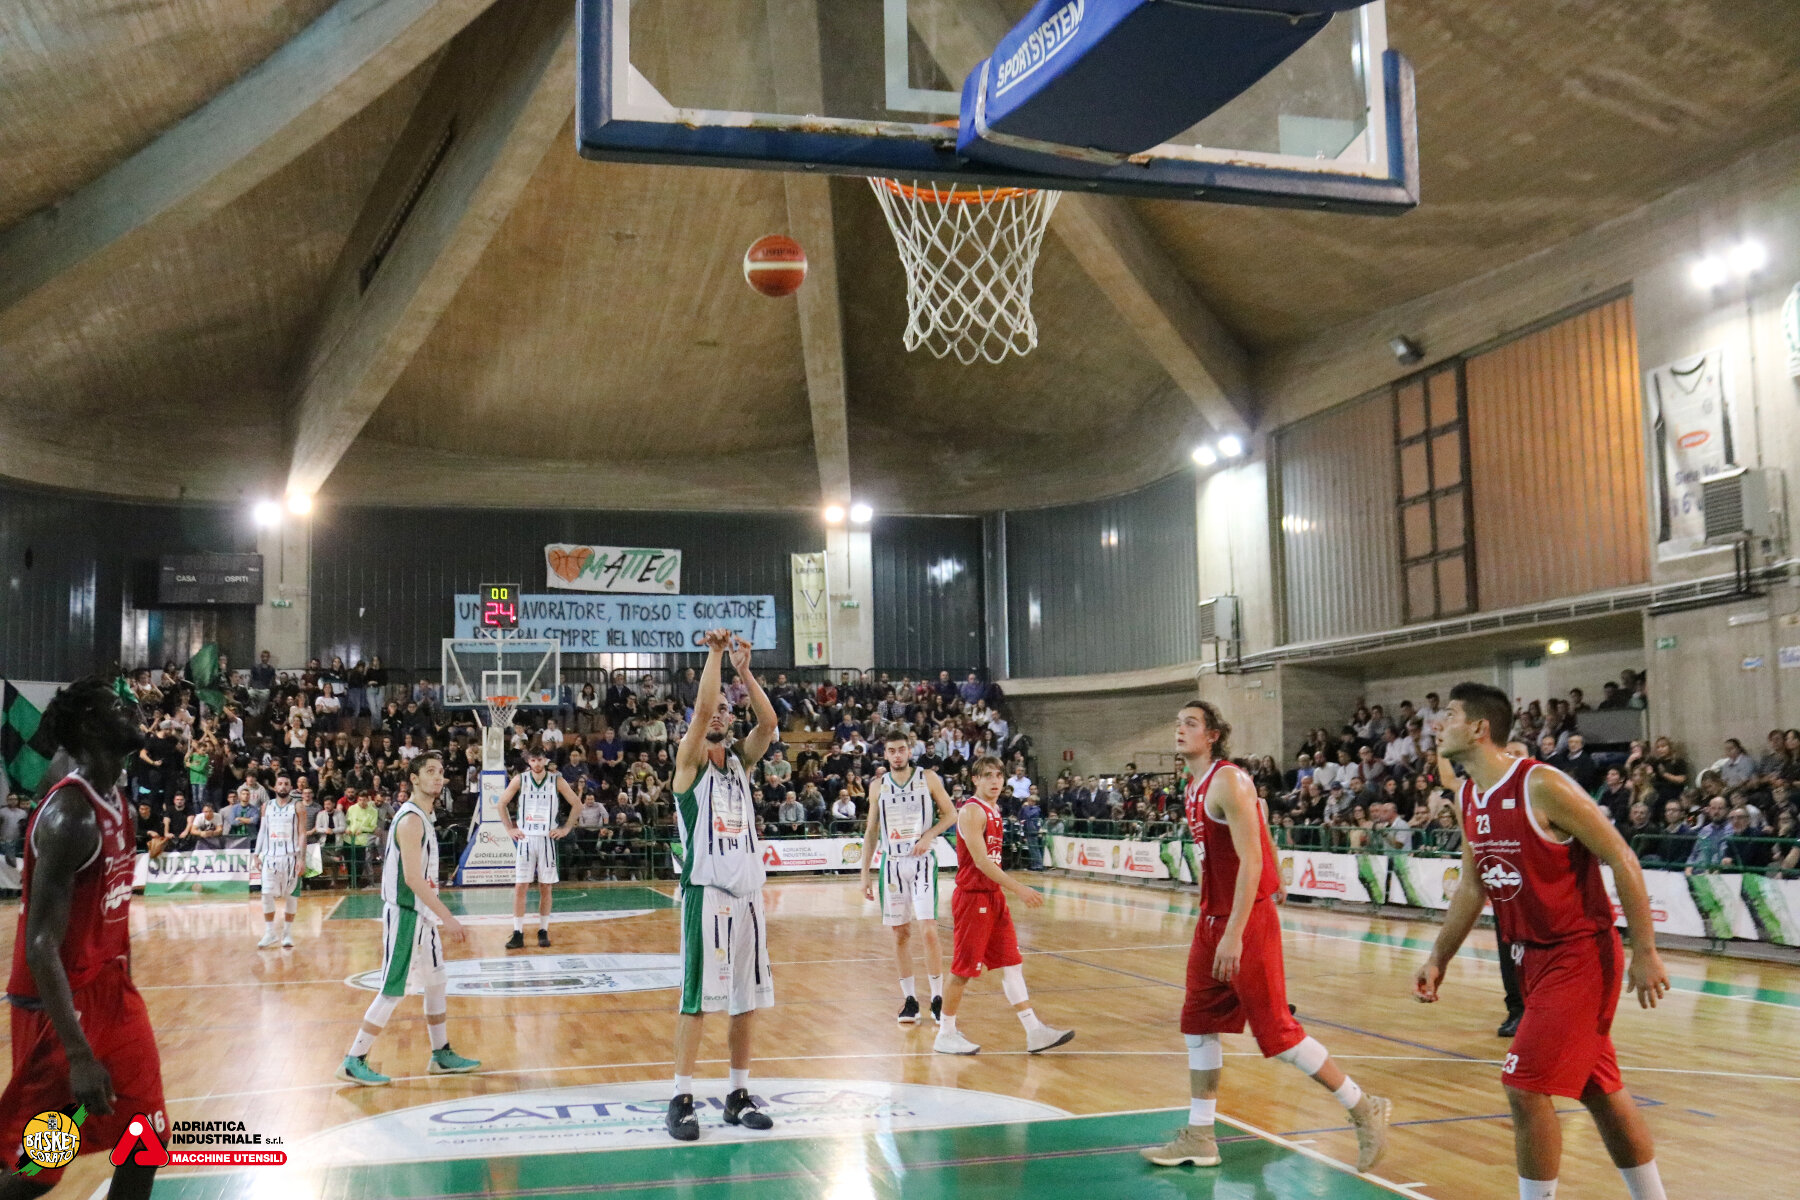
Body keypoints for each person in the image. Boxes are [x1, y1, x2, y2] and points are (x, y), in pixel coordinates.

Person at [1417, 682, 1670, 1200]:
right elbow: (1473, 885)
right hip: (1529, 961)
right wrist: (1439, 956)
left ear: (1480, 728)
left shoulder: (1542, 784)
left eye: (1450, 714)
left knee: (1523, 1087)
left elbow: (1621, 856)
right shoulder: (1468, 795)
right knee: (1601, 1090)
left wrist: (1645, 950)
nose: (1438, 725)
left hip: (1580, 955)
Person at [1143, 700, 1389, 1172]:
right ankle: (1200, 1135)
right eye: (1177, 723)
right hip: (1212, 919)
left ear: (1213, 735)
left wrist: (1236, 930)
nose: (1180, 729)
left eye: (1190, 723)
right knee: (1198, 1024)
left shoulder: (1228, 780)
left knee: (1278, 1034)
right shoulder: (1194, 785)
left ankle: (1363, 1107)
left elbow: (1251, 859)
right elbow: (1261, 830)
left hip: (1243, 922)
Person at [0, 678, 167, 1199]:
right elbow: (41, 943)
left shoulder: (121, 803)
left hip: (111, 992)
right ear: (92, 726)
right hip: (58, 1008)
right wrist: (78, 1054)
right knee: (36, 1172)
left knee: (147, 1141)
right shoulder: (70, 815)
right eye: (118, 706)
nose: (133, 710)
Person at [666, 632, 780, 1141]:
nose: (717, 715)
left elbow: (768, 723)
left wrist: (745, 672)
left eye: (725, 711)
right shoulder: (688, 764)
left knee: (745, 999)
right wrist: (714, 656)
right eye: (711, 712)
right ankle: (681, 1098)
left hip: (748, 895)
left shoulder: (741, 763)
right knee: (697, 999)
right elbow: (701, 711)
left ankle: (737, 1094)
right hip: (706, 892)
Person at [337, 753, 479, 1085]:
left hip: (422, 916)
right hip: (406, 915)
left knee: (436, 981)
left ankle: (441, 1053)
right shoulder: (411, 820)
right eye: (430, 771)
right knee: (393, 988)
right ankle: (353, 1059)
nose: (437, 777)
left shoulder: (424, 816)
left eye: (440, 771)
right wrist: (449, 918)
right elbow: (413, 879)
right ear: (414, 779)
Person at [933, 756, 1072, 1057]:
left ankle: (1034, 1031)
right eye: (987, 775)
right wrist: (1019, 888)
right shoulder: (972, 811)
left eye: (998, 775)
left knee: (1011, 963)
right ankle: (945, 1033)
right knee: (963, 969)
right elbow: (981, 862)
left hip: (992, 896)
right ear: (975, 780)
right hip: (973, 897)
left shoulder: (994, 809)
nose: (995, 781)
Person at [859, 735, 958, 1026]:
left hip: (922, 862)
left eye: (901, 749)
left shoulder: (928, 778)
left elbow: (951, 814)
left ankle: (937, 998)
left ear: (910, 750)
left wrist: (930, 835)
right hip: (892, 864)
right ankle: (910, 1000)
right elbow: (871, 831)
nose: (897, 755)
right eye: (891, 751)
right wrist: (864, 873)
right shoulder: (877, 786)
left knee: (929, 931)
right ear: (885, 754)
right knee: (901, 934)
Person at [497, 749, 584, 949]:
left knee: (546, 887)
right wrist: (509, 829)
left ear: (546, 760)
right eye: (533, 760)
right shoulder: (520, 779)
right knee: (520, 887)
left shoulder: (556, 780)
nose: (536, 763)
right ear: (528, 761)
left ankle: (543, 930)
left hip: (547, 839)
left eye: (540, 760)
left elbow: (577, 804)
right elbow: (501, 804)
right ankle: (517, 932)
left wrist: (565, 829)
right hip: (526, 838)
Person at [251, 782, 307, 949]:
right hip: (270, 857)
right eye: (280, 784)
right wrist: (256, 854)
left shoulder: (298, 806)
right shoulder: (266, 806)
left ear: (290, 788)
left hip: (291, 857)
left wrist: (302, 858)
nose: (283, 786)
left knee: (291, 896)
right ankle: (270, 933)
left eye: (286, 784)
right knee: (266, 894)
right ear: (275, 787)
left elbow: (302, 833)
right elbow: (263, 830)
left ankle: (287, 933)